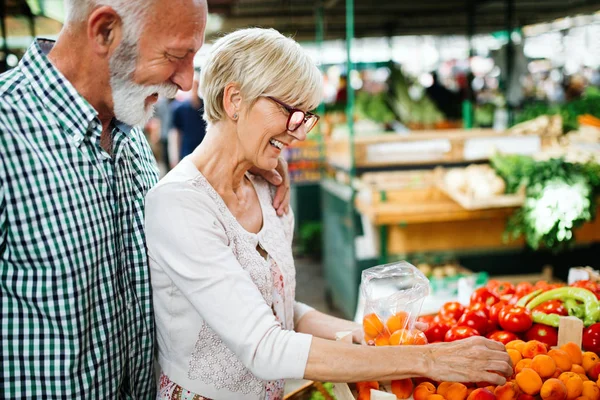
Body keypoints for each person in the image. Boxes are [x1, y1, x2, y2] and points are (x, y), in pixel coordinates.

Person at [145, 28, 513, 400]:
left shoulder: (267, 189)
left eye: (305, 117)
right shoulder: (180, 205)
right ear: (235, 100)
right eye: (289, 112)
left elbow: (282, 310)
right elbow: (263, 346)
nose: (299, 133)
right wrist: (427, 359)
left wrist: (361, 334)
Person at [0, 1, 290, 398]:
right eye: (175, 56)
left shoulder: (130, 134)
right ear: (105, 32)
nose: (188, 83)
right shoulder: (7, 133)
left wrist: (247, 161)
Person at [172, 70, 208, 162]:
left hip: (203, 153)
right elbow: (176, 134)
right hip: (186, 153)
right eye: (192, 87)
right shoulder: (180, 108)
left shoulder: (206, 108)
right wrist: (174, 156)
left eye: (196, 86)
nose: (194, 89)